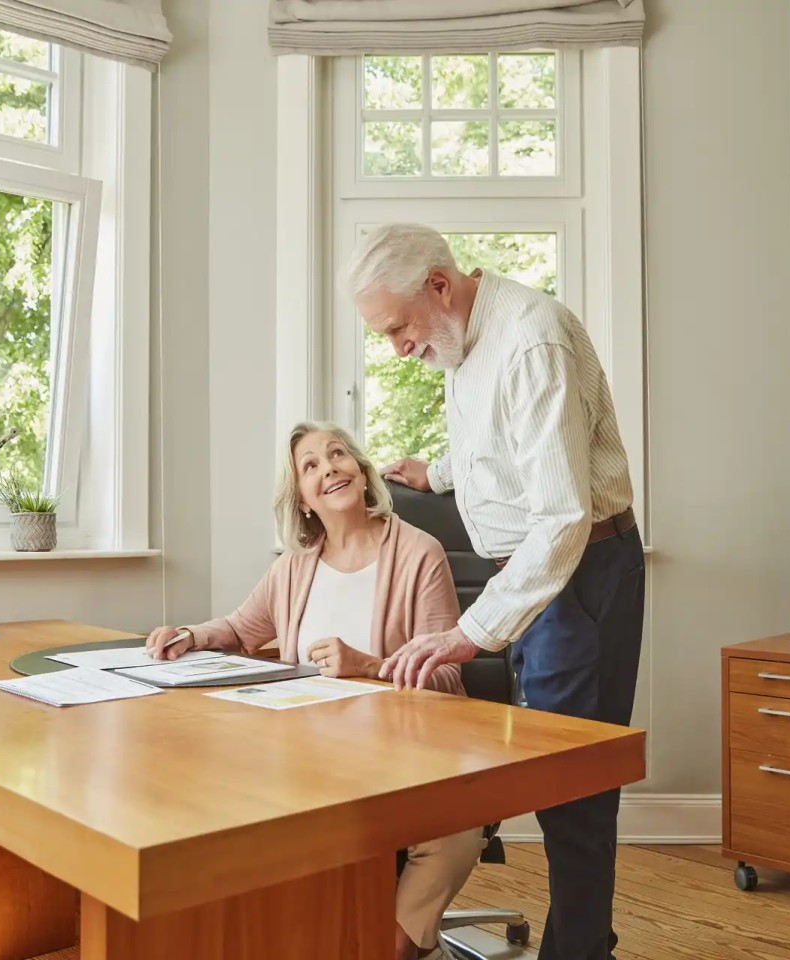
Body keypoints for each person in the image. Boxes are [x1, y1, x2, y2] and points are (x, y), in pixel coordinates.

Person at [347, 224, 645, 960]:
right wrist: (440, 472)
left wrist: (470, 631)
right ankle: (587, 941)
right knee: (557, 785)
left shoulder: (531, 338)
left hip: (575, 575)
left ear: (440, 287)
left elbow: (562, 516)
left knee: (571, 788)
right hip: (541, 578)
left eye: (398, 327)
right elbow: (511, 442)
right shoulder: (464, 336)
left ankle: (579, 951)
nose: (397, 348)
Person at [145, 420, 481, 960]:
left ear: (361, 471)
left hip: (405, 754)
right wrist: (189, 635)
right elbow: (238, 628)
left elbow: (446, 674)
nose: (329, 469)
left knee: (453, 832)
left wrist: (369, 665)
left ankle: (398, 946)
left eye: (338, 455)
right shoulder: (294, 568)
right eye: (311, 465)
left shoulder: (420, 552)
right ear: (302, 499)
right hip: (310, 763)